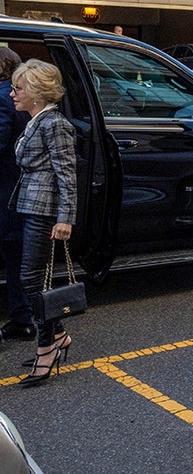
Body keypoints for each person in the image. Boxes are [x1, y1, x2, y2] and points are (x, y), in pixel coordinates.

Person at [9, 59, 77, 386]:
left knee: (30, 280)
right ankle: (58, 334)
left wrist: (66, 219)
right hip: (33, 206)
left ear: (36, 92)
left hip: (46, 209)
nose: (12, 94)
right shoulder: (37, 120)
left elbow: (67, 174)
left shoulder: (54, 124)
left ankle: (46, 346)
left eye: (18, 88)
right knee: (31, 279)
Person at [0, 47, 33, 343]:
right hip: (16, 191)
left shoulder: (2, 98)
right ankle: (23, 319)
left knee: (14, 257)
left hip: (5, 191)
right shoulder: (17, 98)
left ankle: (25, 320)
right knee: (16, 260)